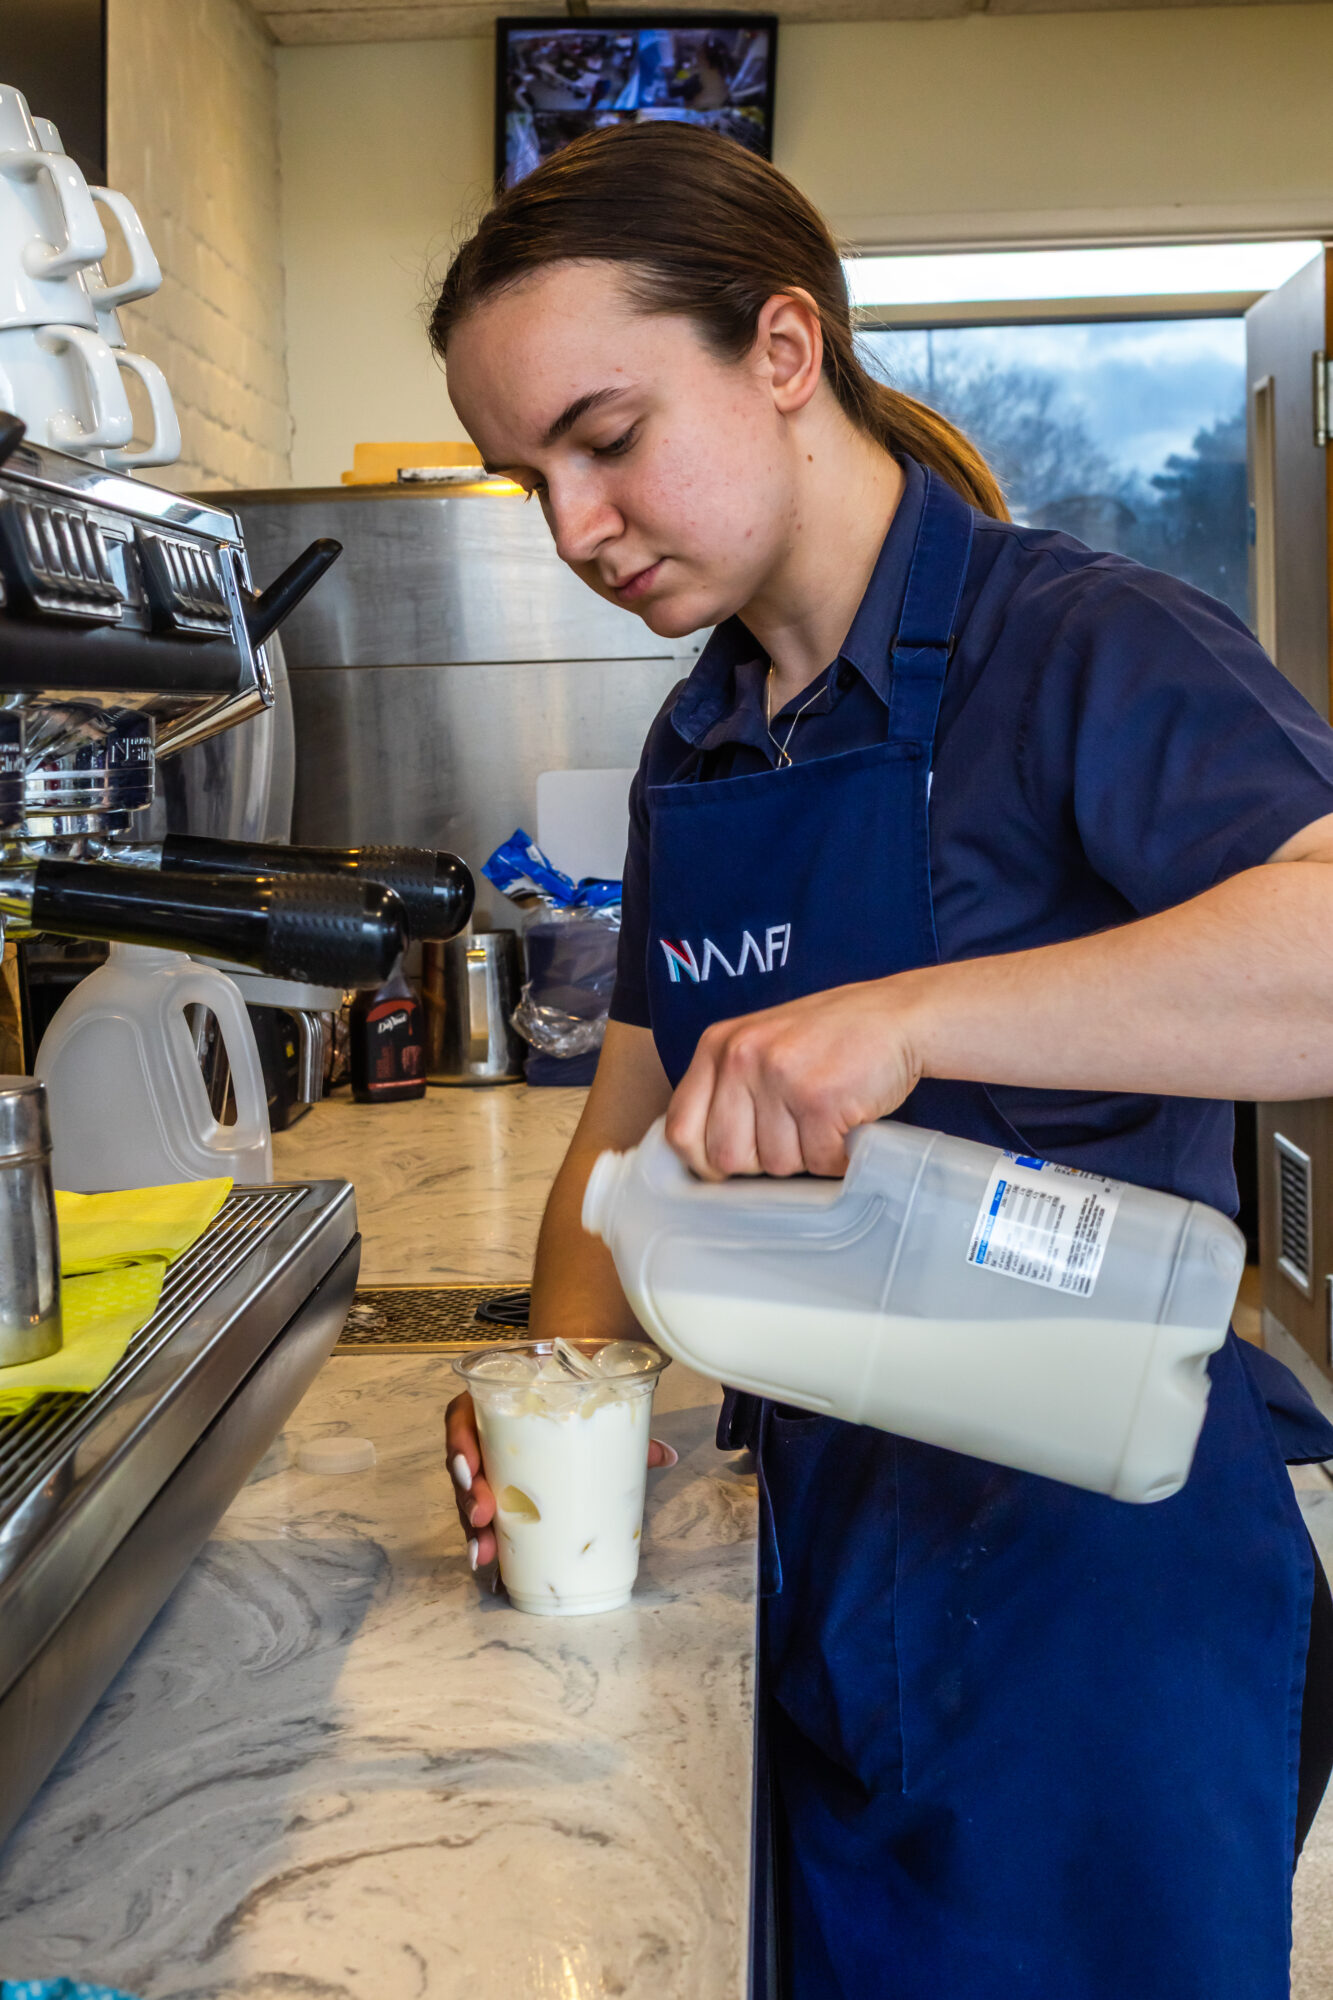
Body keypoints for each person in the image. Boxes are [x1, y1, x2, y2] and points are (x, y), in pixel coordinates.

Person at [434, 121, 1333, 1997]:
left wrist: (912, 1021)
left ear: (782, 352)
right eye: (528, 476)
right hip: (826, 1557)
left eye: (605, 439)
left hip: (1100, 1585)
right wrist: (561, 1396)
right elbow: (629, 1128)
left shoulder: (1077, 647)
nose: (574, 527)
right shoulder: (698, 751)